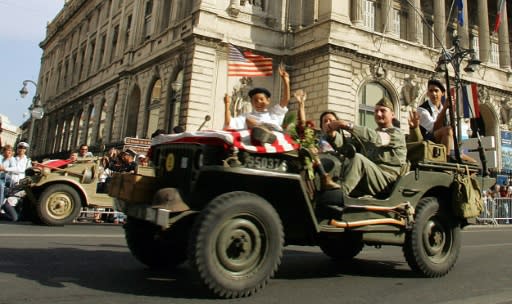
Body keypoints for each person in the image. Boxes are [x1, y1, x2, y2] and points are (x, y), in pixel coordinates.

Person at [326, 97, 407, 197]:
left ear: (392, 115)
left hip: (387, 181)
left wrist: (348, 126)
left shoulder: (397, 134)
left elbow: (377, 138)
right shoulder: (371, 134)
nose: (378, 114)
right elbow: (346, 146)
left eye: (383, 111)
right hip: (369, 177)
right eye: (376, 111)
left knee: (358, 158)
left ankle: (341, 194)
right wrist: (332, 135)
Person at [224, 65, 290, 143]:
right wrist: (227, 104)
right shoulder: (246, 116)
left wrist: (286, 81)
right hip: (256, 141)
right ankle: (263, 133)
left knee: (250, 121)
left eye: (261, 99)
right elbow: (229, 122)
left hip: (276, 137)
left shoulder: (273, 113)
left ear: (268, 101)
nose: (258, 102)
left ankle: (268, 134)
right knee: (248, 121)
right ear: (251, 102)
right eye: (255, 100)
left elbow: (285, 100)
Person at [293, 89, 340, 190]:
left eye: (331, 121)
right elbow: (302, 124)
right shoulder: (317, 136)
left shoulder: (341, 138)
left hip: (335, 167)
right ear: (321, 125)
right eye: (325, 121)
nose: (328, 123)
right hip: (316, 166)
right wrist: (301, 104)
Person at [417, 79, 453, 160]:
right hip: (427, 144)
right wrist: (444, 109)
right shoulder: (422, 110)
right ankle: (446, 160)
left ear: (442, 93)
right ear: (427, 93)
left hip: (444, 145)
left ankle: (449, 155)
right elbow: (434, 128)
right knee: (447, 130)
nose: (433, 93)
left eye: (436, 91)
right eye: (431, 91)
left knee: (473, 163)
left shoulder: (446, 110)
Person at [0, 145, 19, 221]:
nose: (9, 152)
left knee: (14, 184)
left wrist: (5, 169)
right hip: (1, 178)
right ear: (4, 151)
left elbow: (15, 168)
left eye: (10, 151)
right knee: (1, 185)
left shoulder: (12, 159)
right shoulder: (1, 157)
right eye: (7, 150)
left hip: (6, 177)